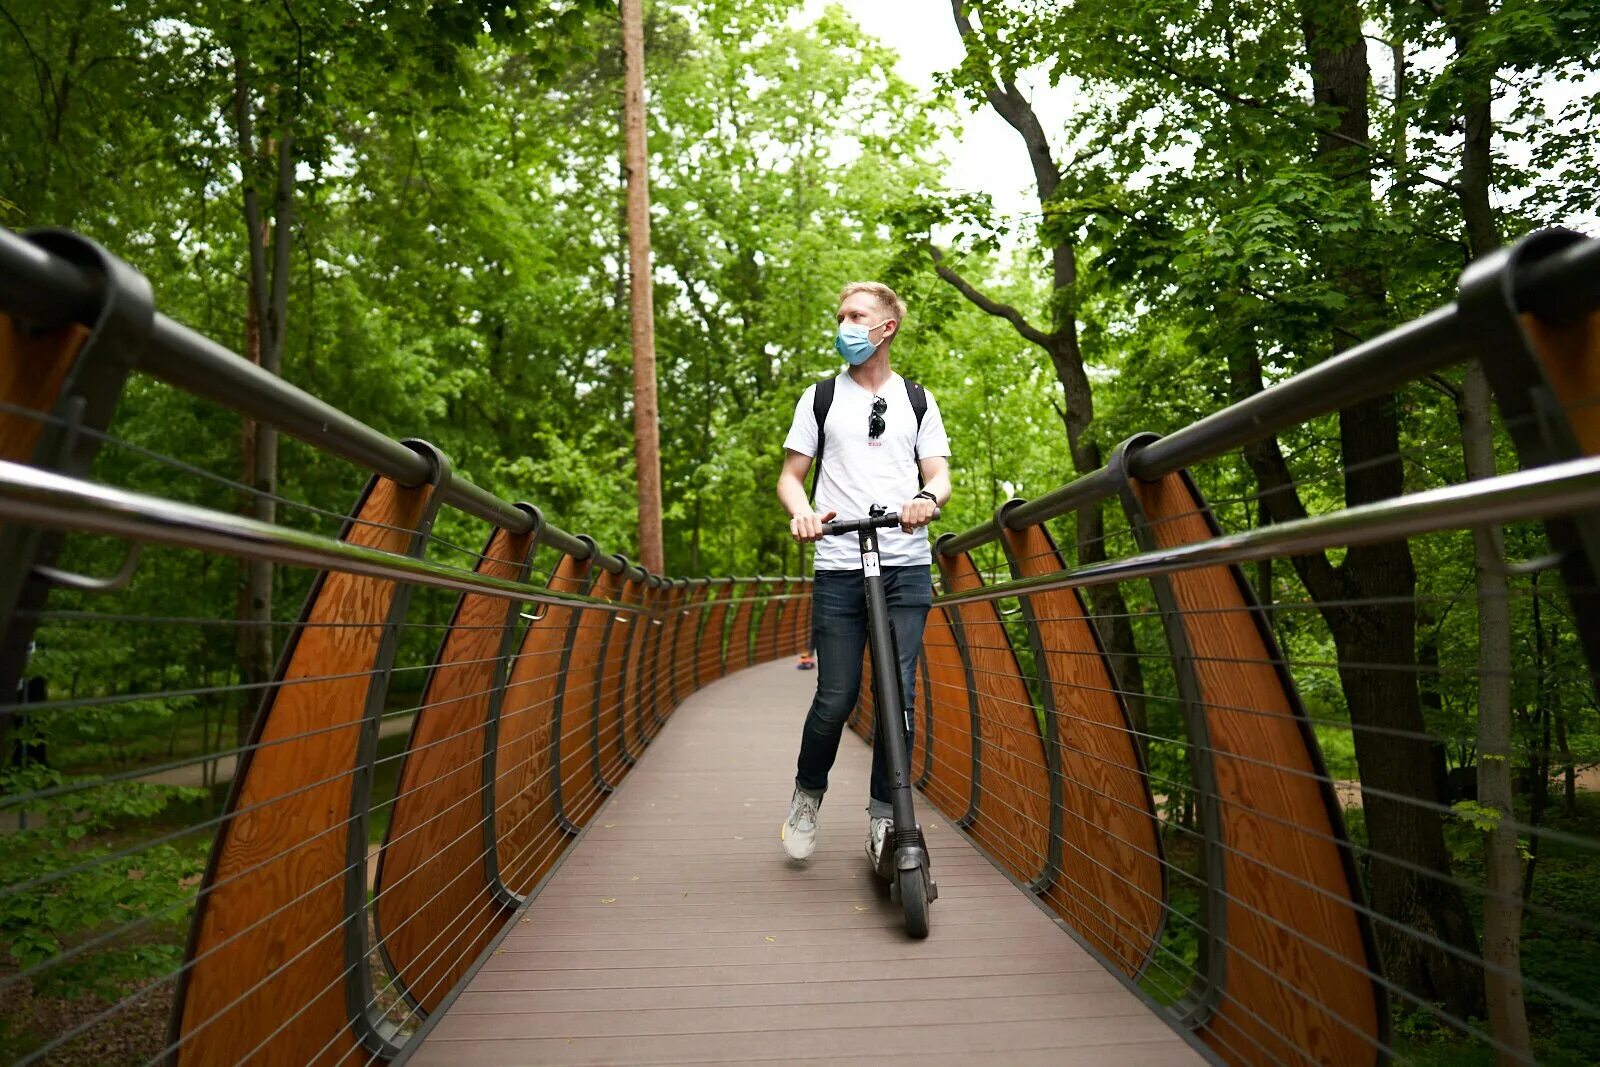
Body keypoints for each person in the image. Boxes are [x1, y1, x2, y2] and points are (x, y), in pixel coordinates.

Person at [776, 281, 952, 865]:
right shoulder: (821, 397)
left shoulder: (918, 401)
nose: (845, 324)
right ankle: (807, 794)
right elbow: (790, 476)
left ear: (886, 327)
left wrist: (926, 497)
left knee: (898, 696)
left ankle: (886, 819)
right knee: (837, 695)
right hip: (840, 564)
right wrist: (803, 513)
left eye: (856, 315)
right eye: (841, 314)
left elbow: (940, 474)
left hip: (904, 565)